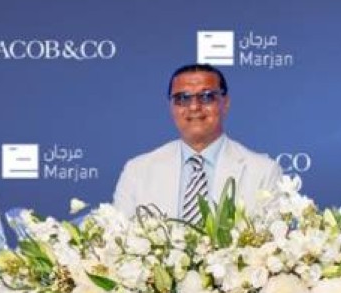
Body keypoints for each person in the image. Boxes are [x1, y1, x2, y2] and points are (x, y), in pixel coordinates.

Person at [112, 64, 283, 219]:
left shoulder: (264, 172)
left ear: (225, 103)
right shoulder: (137, 171)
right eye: (182, 98)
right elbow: (118, 237)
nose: (194, 107)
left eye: (207, 96)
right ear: (171, 107)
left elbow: (272, 239)